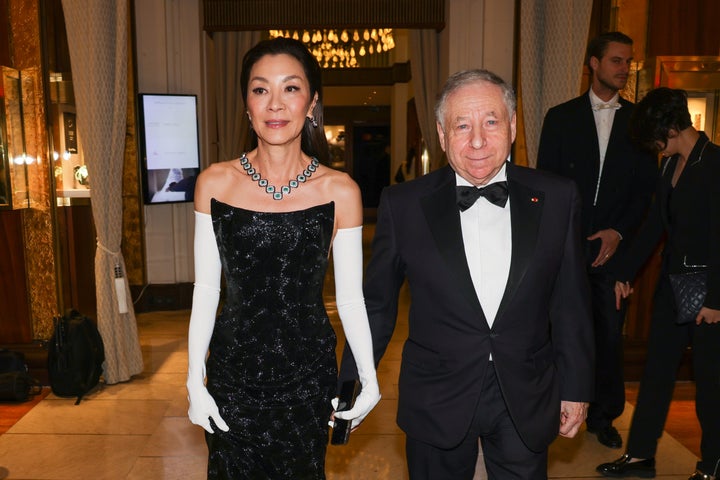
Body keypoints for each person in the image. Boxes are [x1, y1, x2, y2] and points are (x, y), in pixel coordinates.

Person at [340, 69, 594, 479]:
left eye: (491, 122)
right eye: (462, 125)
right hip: (437, 393)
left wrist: (577, 387)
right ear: (442, 135)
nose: (477, 140)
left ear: (512, 126)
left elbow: (571, 303)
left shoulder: (558, 197)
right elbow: (376, 307)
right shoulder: (404, 204)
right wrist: (350, 384)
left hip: (525, 391)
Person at [186, 37, 381, 479]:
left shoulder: (340, 190)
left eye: (290, 88)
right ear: (246, 104)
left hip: (307, 378)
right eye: (260, 89)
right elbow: (207, 289)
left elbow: (350, 299)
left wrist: (368, 378)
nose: (275, 104)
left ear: (312, 103)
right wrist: (193, 379)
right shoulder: (213, 183)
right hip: (233, 376)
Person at [536, 31, 657, 450]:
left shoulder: (639, 122)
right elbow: (545, 184)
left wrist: (618, 232)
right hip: (565, 245)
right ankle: (552, 406)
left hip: (612, 249)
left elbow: (647, 190)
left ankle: (603, 416)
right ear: (593, 63)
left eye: (628, 62)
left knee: (608, 335)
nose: (624, 69)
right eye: (616, 61)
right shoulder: (560, 116)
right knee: (555, 330)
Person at [596, 87, 720, 480]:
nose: (653, 146)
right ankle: (640, 456)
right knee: (656, 374)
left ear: (670, 127)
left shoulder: (715, 163)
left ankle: (713, 463)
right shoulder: (669, 166)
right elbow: (654, 228)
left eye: (654, 137)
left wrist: (717, 299)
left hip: (710, 292)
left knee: (710, 383)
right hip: (673, 286)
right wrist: (623, 272)